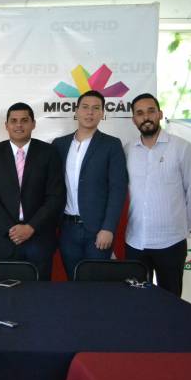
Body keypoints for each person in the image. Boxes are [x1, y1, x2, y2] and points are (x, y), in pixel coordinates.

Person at [125, 93, 191, 296]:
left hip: (171, 242)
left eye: (151, 111)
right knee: (136, 300)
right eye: (140, 113)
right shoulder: (128, 150)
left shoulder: (182, 148)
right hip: (135, 241)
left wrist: (179, 228)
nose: (146, 117)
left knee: (171, 300)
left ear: (159, 114)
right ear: (134, 120)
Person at [0, 102, 65, 280]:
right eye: (14, 121)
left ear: (33, 124)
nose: (19, 125)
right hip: (5, 239)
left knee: (39, 292)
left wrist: (31, 227)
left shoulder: (49, 153)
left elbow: (55, 196)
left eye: (24, 120)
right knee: (5, 292)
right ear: (6, 125)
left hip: (39, 238)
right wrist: (10, 229)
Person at [52, 90, 128, 278]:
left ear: (102, 113)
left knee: (96, 285)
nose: (90, 112)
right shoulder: (59, 145)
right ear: (76, 111)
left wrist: (108, 228)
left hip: (98, 230)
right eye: (85, 107)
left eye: (96, 108)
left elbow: (118, 189)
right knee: (73, 282)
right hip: (67, 229)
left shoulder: (111, 145)